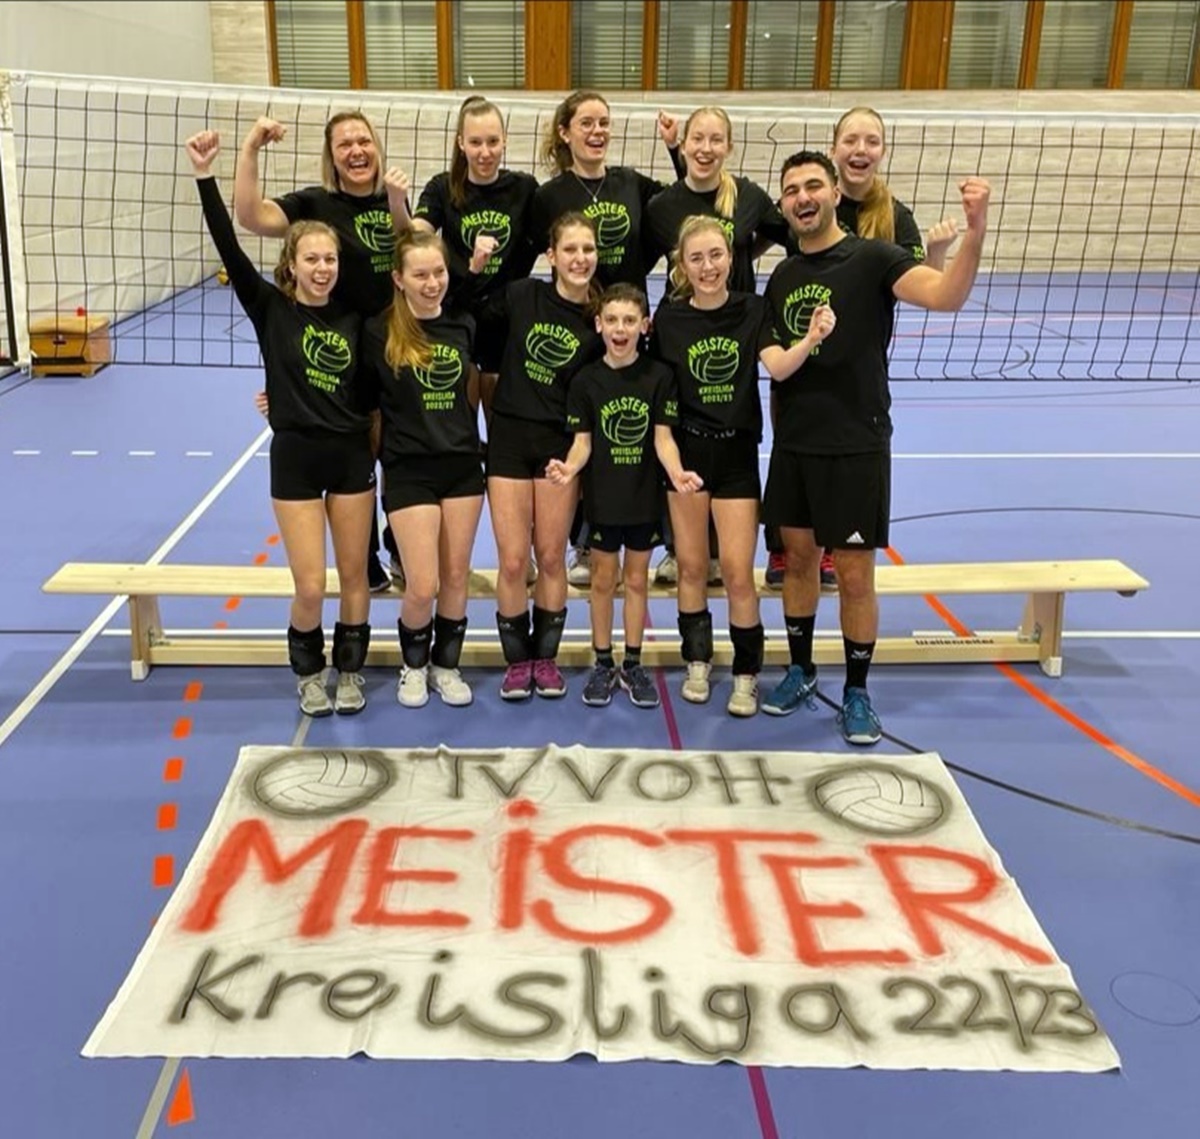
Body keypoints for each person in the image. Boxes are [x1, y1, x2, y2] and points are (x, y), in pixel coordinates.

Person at [758, 150, 990, 744]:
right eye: (792, 190)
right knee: (799, 563)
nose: (803, 197)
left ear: (836, 193)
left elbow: (946, 296)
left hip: (856, 443)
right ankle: (801, 670)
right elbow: (778, 366)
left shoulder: (874, 258)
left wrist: (975, 231)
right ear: (783, 204)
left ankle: (857, 690)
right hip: (795, 445)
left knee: (855, 573)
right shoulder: (782, 276)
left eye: (813, 185)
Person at [185, 129, 375, 717]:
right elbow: (228, 245)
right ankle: (309, 674)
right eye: (311, 259)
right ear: (291, 264)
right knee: (311, 585)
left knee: (355, 580)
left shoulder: (358, 317)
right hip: (294, 458)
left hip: (351, 456)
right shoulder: (270, 307)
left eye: (330, 259)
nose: (322, 268)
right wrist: (206, 174)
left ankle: (350, 672)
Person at [765, 106, 958, 593]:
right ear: (835, 150)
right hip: (799, 353)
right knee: (792, 438)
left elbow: (926, 285)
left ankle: (833, 546)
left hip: (854, 362)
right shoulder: (799, 205)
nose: (860, 149)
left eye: (871, 141)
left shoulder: (891, 219)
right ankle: (785, 543)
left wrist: (944, 252)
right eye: (851, 140)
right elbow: (742, 239)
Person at [234, 111, 399, 593]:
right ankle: (366, 558)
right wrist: (251, 148)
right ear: (331, 156)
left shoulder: (394, 199)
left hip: (389, 346)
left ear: (376, 146)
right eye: (344, 144)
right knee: (357, 450)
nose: (356, 151)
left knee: (395, 453)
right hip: (339, 349)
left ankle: (397, 548)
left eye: (363, 141)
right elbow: (250, 216)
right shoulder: (316, 204)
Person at [531, 91, 681, 588]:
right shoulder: (550, 196)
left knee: (642, 435)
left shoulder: (631, 183)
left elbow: (684, 201)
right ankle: (585, 540)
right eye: (586, 123)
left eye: (604, 123)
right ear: (565, 132)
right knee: (583, 434)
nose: (597, 132)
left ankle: (664, 541)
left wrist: (675, 149)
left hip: (629, 325)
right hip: (581, 326)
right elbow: (530, 254)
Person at [645, 105, 790, 587]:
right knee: (676, 435)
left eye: (715, 140)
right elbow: (636, 260)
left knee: (730, 431)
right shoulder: (662, 207)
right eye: (697, 139)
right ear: (683, 144)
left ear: (729, 146)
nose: (706, 148)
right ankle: (680, 548)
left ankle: (734, 550)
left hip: (737, 327)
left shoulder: (748, 197)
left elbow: (790, 237)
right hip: (681, 330)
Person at [547, 284, 701, 710]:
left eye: (630, 320)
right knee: (602, 579)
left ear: (644, 326)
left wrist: (676, 472)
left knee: (635, 579)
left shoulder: (659, 377)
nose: (620, 329)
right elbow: (582, 443)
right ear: (599, 325)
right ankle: (602, 662)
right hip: (602, 498)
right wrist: (569, 468)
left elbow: (663, 439)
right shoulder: (585, 381)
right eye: (612, 320)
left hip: (642, 496)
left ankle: (632, 662)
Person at [480, 212, 604, 701]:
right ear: (551, 256)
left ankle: (545, 660)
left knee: (552, 556)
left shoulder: (599, 320)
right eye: (570, 249)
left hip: (559, 443)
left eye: (588, 249)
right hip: (510, 438)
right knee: (514, 562)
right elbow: (468, 316)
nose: (580, 258)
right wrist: (477, 265)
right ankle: (518, 662)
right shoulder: (522, 295)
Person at [359, 231, 484, 709]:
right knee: (423, 583)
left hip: (462, 468)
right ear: (399, 278)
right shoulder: (379, 332)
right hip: (409, 469)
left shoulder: (463, 324)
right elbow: (363, 403)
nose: (432, 283)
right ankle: (413, 667)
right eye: (420, 275)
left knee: (455, 578)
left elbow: (473, 389)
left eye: (439, 273)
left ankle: (445, 666)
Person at [651, 216, 766, 717]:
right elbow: (660, 399)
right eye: (696, 258)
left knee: (738, 572)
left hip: (737, 454)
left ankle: (746, 673)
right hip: (688, 456)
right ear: (682, 265)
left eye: (716, 255)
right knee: (692, 567)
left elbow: (779, 363)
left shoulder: (753, 310)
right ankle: (696, 660)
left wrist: (811, 338)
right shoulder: (670, 321)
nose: (707, 267)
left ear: (731, 258)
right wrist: (673, 465)